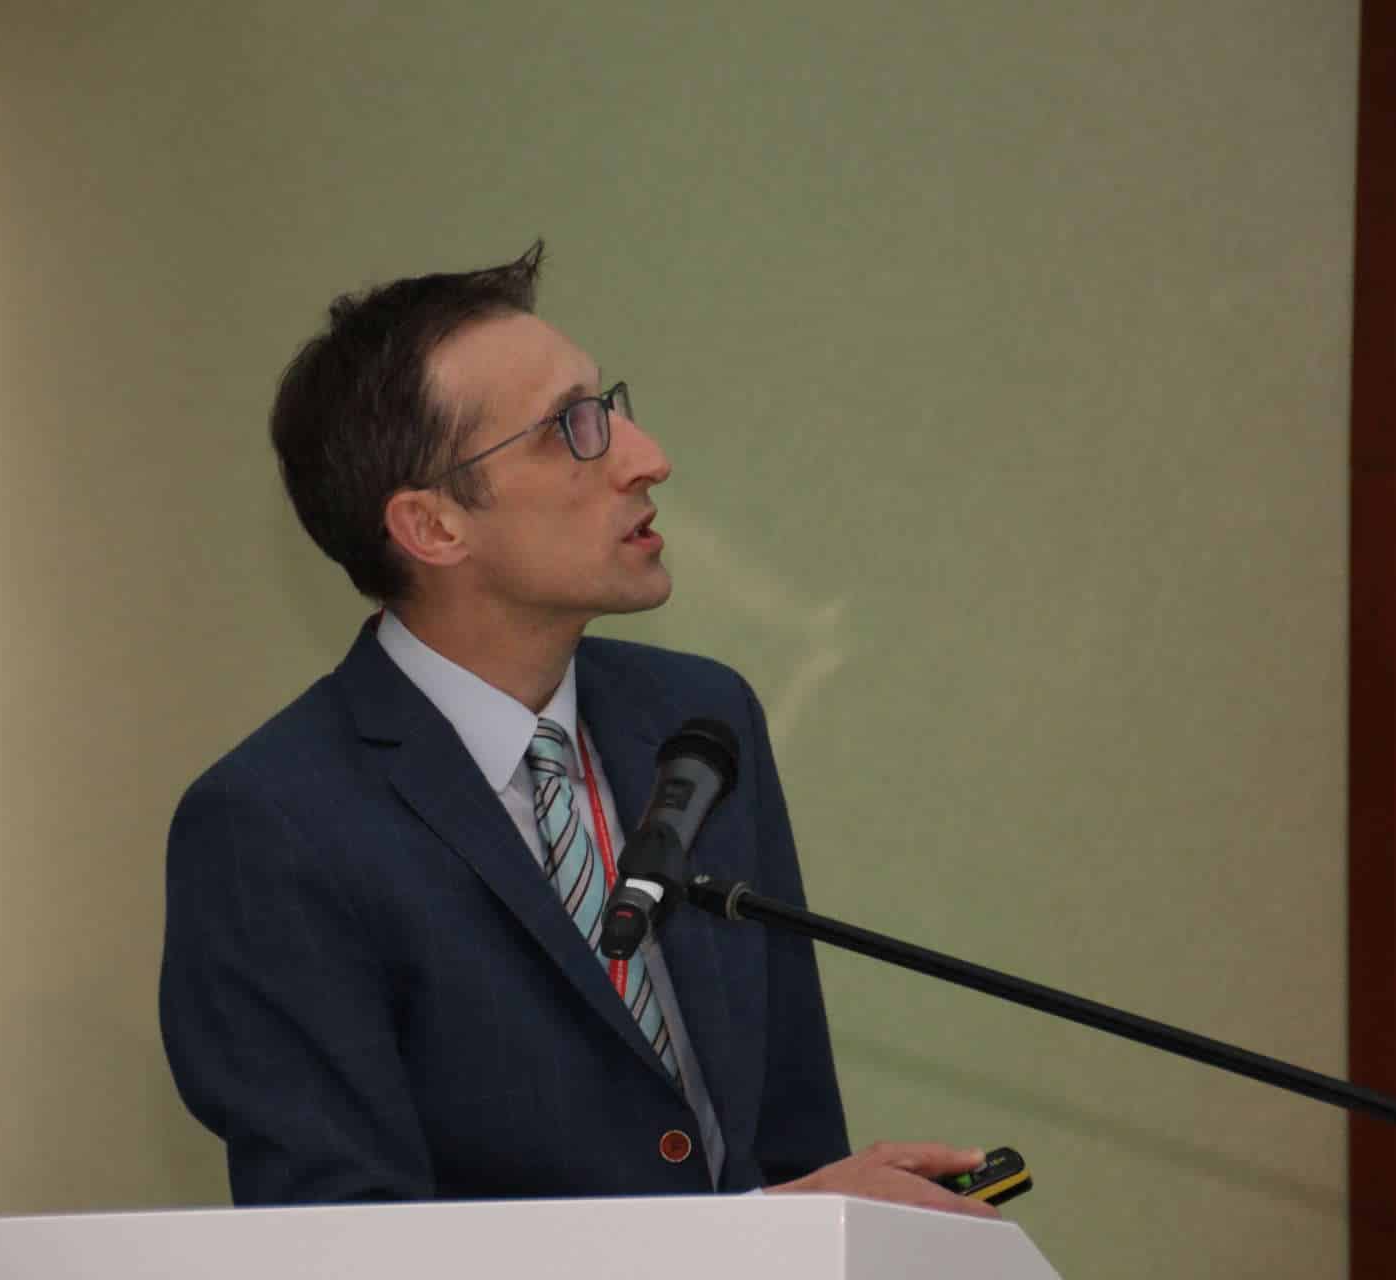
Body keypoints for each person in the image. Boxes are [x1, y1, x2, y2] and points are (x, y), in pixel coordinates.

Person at [158, 242, 997, 1214]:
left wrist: (837, 1224)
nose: (647, 457)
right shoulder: (272, 825)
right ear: (433, 526)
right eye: (572, 428)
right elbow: (344, 1244)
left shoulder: (700, 720)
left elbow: (789, 1140)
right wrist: (747, 1241)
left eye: (610, 407)